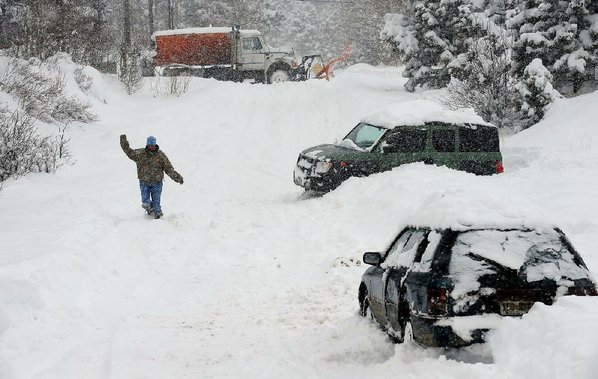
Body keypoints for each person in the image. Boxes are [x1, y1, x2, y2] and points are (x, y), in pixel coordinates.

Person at [120, 134, 184, 219]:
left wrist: (177, 177)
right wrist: (123, 141)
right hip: (144, 182)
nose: (151, 147)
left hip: (157, 183)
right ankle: (151, 211)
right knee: (145, 202)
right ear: (147, 145)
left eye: (153, 145)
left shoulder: (160, 156)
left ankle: (158, 217)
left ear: (155, 145)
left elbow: (168, 169)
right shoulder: (140, 154)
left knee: (156, 205)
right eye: (150, 145)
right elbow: (129, 152)